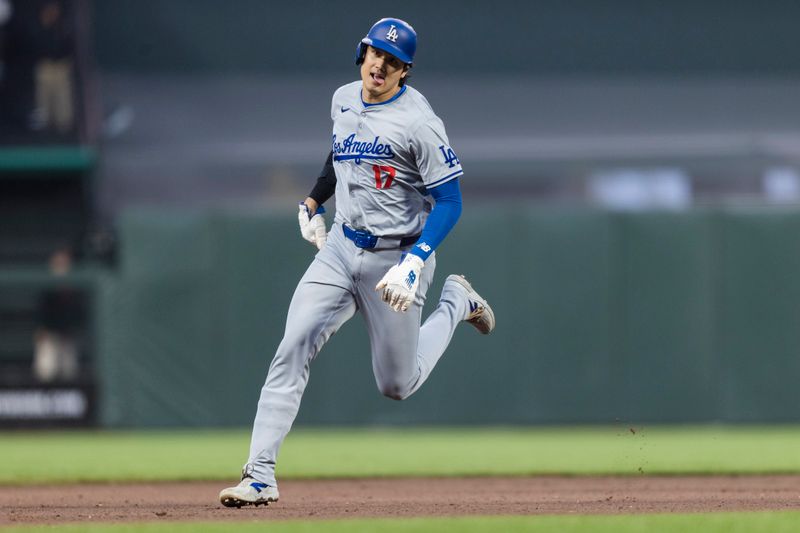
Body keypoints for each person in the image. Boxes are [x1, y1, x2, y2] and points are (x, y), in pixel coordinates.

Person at [219, 18, 496, 508]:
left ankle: (456, 300)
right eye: (374, 54)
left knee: (397, 384)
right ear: (362, 53)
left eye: (392, 61)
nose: (380, 66)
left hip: (396, 257)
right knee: (293, 345)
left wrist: (416, 261)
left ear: (404, 71)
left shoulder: (419, 122)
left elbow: (450, 201)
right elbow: (341, 153)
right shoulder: (343, 98)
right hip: (340, 247)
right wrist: (312, 201)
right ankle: (259, 475)